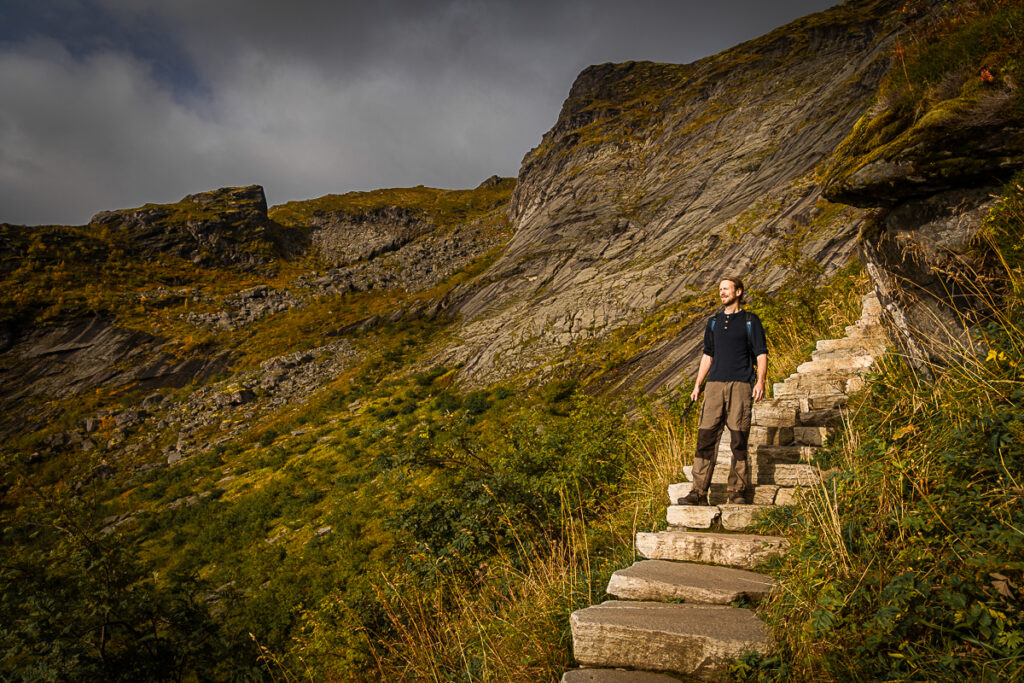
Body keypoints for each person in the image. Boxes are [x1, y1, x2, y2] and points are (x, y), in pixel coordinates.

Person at [682, 276, 768, 506]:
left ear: (738, 292)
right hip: (714, 386)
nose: (722, 293)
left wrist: (760, 381)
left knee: (739, 439)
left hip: (740, 385)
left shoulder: (751, 321)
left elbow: (761, 353)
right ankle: (698, 492)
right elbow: (708, 355)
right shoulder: (713, 322)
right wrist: (698, 384)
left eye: (726, 289)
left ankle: (737, 491)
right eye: (720, 289)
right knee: (705, 438)